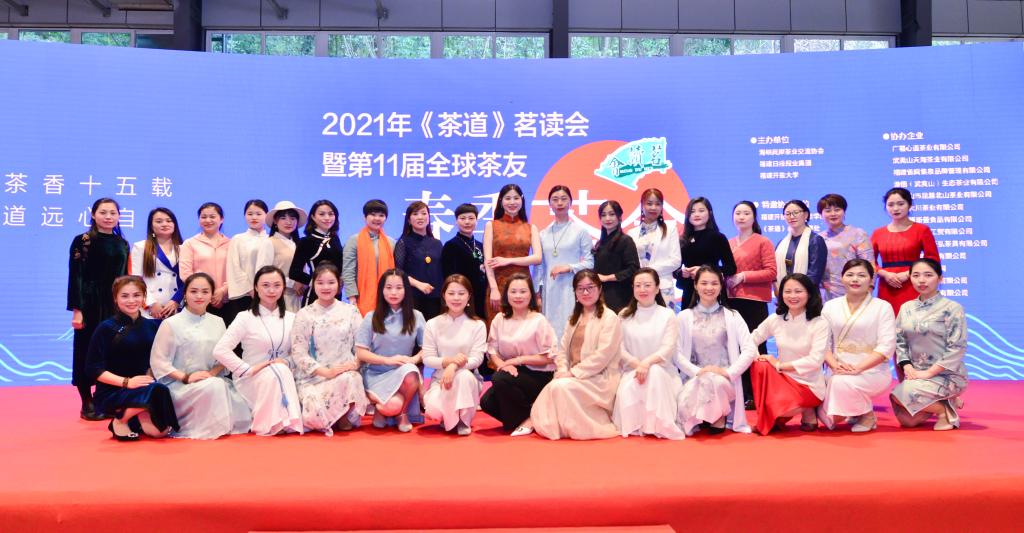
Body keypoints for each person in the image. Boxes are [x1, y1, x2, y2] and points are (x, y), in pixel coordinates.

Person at [149, 273, 252, 439]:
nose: (199, 296)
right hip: (180, 386)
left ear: (211, 295)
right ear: (185, 294)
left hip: (213, 381)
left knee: (241, 401)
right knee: (215, 387)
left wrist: (210, 374)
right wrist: (187, 377)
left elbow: (224, 356)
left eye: (205, 291)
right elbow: (159, 362)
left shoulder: (218, 321)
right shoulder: (170, 323)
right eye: (193, 291)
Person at [531, 270, 622, 440]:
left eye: (590, 287)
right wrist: (562, 370)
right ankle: (556, 427)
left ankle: (579, 428)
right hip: (574, 376)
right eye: (580, 289)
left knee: (560, 387)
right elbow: (562, 351)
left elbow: (603, 356)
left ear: (600, 289)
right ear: (575, 292)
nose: (585, 292)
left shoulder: (610, 318)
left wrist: (572, 373)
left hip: (599, 378)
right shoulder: (573, 318)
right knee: (556, 384)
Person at [212, 266, 303, 436]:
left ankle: (282, 420)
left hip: (285, 374)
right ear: (256, 287)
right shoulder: (245, 318)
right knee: (279, 370)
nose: (271, 290)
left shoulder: (293, 318)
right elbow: (220, 350)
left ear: (283, 288)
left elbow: (301, 352)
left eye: (277, 285)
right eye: (265, 285)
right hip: (251, 379)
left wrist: (287, 361)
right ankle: (280, 421)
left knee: (281, 369)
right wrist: (247, 369)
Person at [86, 276, 178, 440]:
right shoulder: (106, 328)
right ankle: (121, 419)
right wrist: (127, 382)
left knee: (159, 433)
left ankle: (137, 415)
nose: (131, 301)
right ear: (115, 298)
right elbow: (93, 369)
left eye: (136, 295)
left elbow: (158, 359)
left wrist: (150, 374)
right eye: (125, 296)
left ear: (144, 297)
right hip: (114, 390)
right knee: (159, 390)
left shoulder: (153, 326)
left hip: (145, 387)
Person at [676, 266, 758, 435]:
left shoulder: (733, 316)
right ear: (695, 286)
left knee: (715, 381)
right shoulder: (684, 317)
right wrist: (698, 371)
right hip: (694, 378)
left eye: (714, 283)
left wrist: (729, 372)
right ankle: (710, 416)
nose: (709, 287)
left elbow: (749, 349)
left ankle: (716, 417)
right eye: (704, 283)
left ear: (721, 286)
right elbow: (675, 353)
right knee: (706, 380)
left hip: (725, 380)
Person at [68, 198, 130, 420]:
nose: (108, 217)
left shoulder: (122, 243)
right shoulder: (82, 241)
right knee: (85, 351)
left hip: (115, 305)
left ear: (119, 216)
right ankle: (86, 402)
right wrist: (77, 310)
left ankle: (105, 398)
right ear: (93, 215)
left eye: (113, 213)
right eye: (103, 212)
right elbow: (75, 276)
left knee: (113, 351)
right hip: (90, 303)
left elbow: (125, 278)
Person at [890, 258, 968, 431]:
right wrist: (907, 365)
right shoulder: (906, 308)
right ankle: (945, 402)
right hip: (917, 374)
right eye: (916, 275)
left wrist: (930, 372)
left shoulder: (952, 308)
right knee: (907, 421)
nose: (921, 280)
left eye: (928, 275)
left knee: (902, 393)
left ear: (940, 278)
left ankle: (944, 412)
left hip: (947, 375)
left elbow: (957, 347)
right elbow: (899, 340)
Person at [290, 264, 368, 435]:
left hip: (344, 374)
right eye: (320, 282)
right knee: (313, 413)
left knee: (352, 378)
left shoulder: (351, 311)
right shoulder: (304, 314)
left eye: (331, 282)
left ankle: (343, 415)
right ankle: (332, 416)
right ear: (313, 284)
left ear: (339, 284)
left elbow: (362, 345)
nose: (326, 287)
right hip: (313, 377)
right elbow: (298, 352)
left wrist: (355, 364)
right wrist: (326, 372)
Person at [748, 273, 829, 435]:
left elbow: (815, 360)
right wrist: (757, 357)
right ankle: (774, 416)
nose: (792, 296)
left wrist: (779, 365)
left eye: (798, 291)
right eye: (788, 291)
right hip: (782, 379)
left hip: (808, 384)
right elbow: (751, 339)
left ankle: (807, 408)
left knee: (783, 408)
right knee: (760, 365)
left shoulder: (820, 323)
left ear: (809, 294)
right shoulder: (776, 319)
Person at [820, 259, 895, 433]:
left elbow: (886, 346)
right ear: (842, 278)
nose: (855, 279)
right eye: (850, 275)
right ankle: (859, 412)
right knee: (821, 396)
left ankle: (866, 414)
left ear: (871, 280)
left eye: (861, 275)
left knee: (838, 388)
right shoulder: (830, 306)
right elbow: (822, 343)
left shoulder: (882, 307)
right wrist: (834, 366)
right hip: (838, 368)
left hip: (872, 370)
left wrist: (858, 368)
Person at [480, 273, 557, 436]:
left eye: (523, 291)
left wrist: (518, 360)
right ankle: (533, 416)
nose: (518, 296)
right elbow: (492, 350)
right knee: (486, 402)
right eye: (513, 291)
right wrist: (503, 365)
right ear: (506, 295)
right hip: (512, 372)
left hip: (539, 374)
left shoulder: (538, 320)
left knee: (499, 379)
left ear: (531, 294)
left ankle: (528, 419)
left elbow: (549, 357)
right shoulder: (499, 319)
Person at [612, 268, 685, 440]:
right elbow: (619, 348)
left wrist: (647, 364)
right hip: (632, 371)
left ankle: (658, 424)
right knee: (636, 383)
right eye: (638, 285)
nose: (642, 289)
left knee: (656, 373)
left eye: (647, 285)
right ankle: (640, 424)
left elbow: (668, 347)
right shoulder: (624, 315)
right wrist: (638, 365)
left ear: (657, 288)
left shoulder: (668, 315)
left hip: (663, 372)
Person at [356, 269, 426, 432]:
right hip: (375, 374)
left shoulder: (416, 316)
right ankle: (383, 410)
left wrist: (413, 360)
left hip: (403, 374)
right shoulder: (371, 317)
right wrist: (387, 360)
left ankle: (402, 413)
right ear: (381, 290)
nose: (393, 292)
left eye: (399, 288)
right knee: (391, 405)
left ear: (406, 290)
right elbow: (361, 353)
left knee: (411, 371)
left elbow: (427, 349)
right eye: (388, 287)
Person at [726, 201, 777, 409]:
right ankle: (743, 393)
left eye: (746, 213)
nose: (741, 217)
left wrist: (743, 276)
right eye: (737, 213)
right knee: (737, 348)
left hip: (755, 302)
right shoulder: (729, 242)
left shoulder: (763, 241)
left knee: (756, 346)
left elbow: (771, 272)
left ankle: (759, 393)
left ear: (754, 217)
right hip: (731, 301)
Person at [422, 274, 487, 436]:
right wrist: (449, 361)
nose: (456, 298)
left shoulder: (478, 325)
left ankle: (463, 420)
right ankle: (451, 416)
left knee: (463, 376)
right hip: (440, 381)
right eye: (451, 293)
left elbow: (477, 359)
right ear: (444, 296)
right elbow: (427, 358)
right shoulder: (432, 324)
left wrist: (454, 366)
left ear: (469, 296)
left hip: (468, 380)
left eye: (461, 293)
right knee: (433, 410)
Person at [536, 185, 594, 338]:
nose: (559, 203)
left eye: (563, 199)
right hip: (550, 288)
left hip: (572, 287)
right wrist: (536, 292)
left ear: (571, 202)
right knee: (550, 331)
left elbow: (590, 263)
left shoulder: (580, 231)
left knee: (571, 328)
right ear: (550, 204)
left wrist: (569, 267)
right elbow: (540, 267)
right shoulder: (543, 234)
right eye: (555, 200)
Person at [871, 187, 940, 315]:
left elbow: (932, 259)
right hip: (887, 285)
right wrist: (884, 274)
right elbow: (869, 262)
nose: (895, 208)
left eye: (900, 204)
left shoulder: (922, 230)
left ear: (909, 205)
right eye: (891, 205)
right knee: (888, 320)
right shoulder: (878, 233)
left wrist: (909, 274)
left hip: (914, 283)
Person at [484, 183, 542, 321]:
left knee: (524, 327)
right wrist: (493, 288)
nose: (512, 202)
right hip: (498, 286)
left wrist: (508, 260)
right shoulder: (491, 225)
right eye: (507, 198)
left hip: (523, 286)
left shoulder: (531, 228)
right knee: (497, 327)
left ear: (522, 200)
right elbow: (488, 261)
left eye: (516, 198)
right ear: (501, 201)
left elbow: (537, 258)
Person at [627, 188, 680, 310]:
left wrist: (648, 271)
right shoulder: (632, 233)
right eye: (649, 203)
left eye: (657, 204)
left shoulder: (670, 229)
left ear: (662, 207)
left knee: (666, 320)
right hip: (641, 289)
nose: (653, 207)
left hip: (663, 286)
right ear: (642, 206)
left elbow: (676, 260)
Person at [677, 197, 736, 307]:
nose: (696, 214)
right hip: (690, 292)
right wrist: (683, 273)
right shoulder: (683, 239)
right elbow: (676, 270)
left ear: (709, 213)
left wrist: (703, 270)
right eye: (692, 211)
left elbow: (731, 268)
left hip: (712, 290)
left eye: (701, 210)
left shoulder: (718, 237)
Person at [225, 199, 275, 325]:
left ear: (267, 215)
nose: (254, 217)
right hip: (244, 296)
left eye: (258, 214)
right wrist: (251, 289)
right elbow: (234, 267)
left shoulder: (272, 239)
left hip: (269, 295)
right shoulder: (238, 239)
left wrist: (264, 289)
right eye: (250, 214)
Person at [343, 199, 396, 316]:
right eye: (373, 214)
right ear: (365, 217)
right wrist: (352, 297)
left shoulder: (391, 242)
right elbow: (348, 271)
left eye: (381, 215)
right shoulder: (354, 240)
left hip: (388, 299)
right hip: (360, 300)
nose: (377, 218)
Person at [817, 194, 873, 301]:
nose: (833, 214)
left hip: (855, 291)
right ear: (821, 214)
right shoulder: (818, 238)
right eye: (828, 211)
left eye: (837, 210)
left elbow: (870, 265)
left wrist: (869, 289)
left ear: (844, 211)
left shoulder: (857, 233)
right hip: (826, 294)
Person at [130, 207, 184, 319]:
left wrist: (176, 300)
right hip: (150, 309)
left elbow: (188, 279)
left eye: (169, 221)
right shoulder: (141, 247)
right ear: (151, 226)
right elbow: (136, 280)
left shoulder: (184, 247)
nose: (164, 224)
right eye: (159, 221)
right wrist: (151, 303)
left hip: (176, 307)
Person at [394, 201, 444, 320]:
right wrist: (418, 284)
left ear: (429, 217)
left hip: (436, 298)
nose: (420, 217)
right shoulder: (403, 242)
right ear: (409, 220)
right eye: (415, 214)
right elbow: (398, 272)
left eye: (424, 213)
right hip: (413, 297)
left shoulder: (437, 243)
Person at [179, 202, 231, 316]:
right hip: (199, 300)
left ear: (221, 219)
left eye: (212, 217)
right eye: (203, 217)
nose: (208, 220)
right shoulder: (190, 243)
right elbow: (185, 273)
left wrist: (222, 291)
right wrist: (206, 292)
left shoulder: (231, 243)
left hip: (227, 300)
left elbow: (236, 273)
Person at [289, 199, 343, 307]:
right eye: (322, 214)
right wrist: (316, 282)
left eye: (331, 214)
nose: (327, 218)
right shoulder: (306, 241)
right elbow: (294, 272)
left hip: (335, 293)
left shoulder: (334, 238)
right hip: (315, 295)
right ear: (313, 217)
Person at [592, 200, 640, 313]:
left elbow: (633, 269)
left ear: (619, 217)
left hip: (620, 295)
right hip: (601, 294)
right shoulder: (599, 244)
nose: (607, 218)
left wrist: (607, 277)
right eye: (603, 215)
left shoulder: (626, 240)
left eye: (612, 214)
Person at [441, 203, 487, 319]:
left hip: (482, 296)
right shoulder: (451, 245)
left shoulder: (480, 245)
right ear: (456, 221)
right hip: (461, 297)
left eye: (471, 218)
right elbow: (449, 276)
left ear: (477, 221)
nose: (467, 222)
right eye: (462, 218)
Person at [775, 199, 827, 290]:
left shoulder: (815, 240)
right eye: (788, 214)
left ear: (806, 215)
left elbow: (815, 274)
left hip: (808, 293)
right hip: (785, 294)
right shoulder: (781, 243)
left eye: (796, 212)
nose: (792, 216)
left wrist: (798, 291)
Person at [267, 200, 307, 312]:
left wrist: (304, 284)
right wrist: (292, 283)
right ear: (275, 221)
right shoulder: (269, 242)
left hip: (299, 298)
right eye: (283, 218)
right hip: (279, 298)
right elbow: (264, 272)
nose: (288, 222)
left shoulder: (299, 244)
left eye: (292, 218)